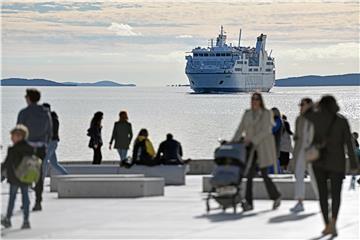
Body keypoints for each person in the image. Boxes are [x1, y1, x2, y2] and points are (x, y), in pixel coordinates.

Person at [306, 95, 359, 237]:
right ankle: (333, 222)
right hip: (337, 162)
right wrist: (354, 164)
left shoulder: (315, 118)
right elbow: (349, 144)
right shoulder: (342, 121)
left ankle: (327, 224)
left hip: (319, 162)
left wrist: (314, 106)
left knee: (323, 195)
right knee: (336, 195)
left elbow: (305, 116)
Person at [232, 92, 281, 211]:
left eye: (257, 99)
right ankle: (249, 203)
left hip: (262, 148)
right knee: (249, 175)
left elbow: (266, 130)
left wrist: (253, 140)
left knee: (264, 174)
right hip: (250, 149)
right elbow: (240, 129)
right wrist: (232, 142)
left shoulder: (266, 113)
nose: (254, 101)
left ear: (261, 101)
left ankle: (276, 196)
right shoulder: (247, 113)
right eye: (253, 99)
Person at [17, 89, 52, 211]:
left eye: (26, 96)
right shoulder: (45, 112)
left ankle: (25, 201)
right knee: (39, 174)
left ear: (29, 98)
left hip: (27, 147)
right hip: (41, 147)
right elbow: (49, 131)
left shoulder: (24, 112)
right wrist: (45, 144)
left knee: (24, 174)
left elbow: (19, 131)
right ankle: (38, 201)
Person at [1, 125, 34, 229]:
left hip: (14, 178)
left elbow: (6, 163)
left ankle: (8, 219)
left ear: (20, 136)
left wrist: (1, 174)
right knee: (25, 199)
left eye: (13, 136)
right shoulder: (30, 148)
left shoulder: (13, 150)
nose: (11, 138)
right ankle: (26, 221)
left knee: (12, 199)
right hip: (25, 177)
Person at [290, 98, 318, 213]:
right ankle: (300, 202)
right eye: (300, 105)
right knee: (299, 175)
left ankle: (323, 200)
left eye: (303, 105)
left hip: (312, 151)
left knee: (315, 177)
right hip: (301, 151)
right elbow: (297, 135)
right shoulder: (298, 119)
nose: (300, 107)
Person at [42, 103, 68, 177]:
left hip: (51, 142)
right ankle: (66, 175)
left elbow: (51, 132)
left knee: (45, 161)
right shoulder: (49, 118)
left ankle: (41, 181)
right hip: (51, 142)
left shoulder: (53, 119)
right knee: (54, 163)